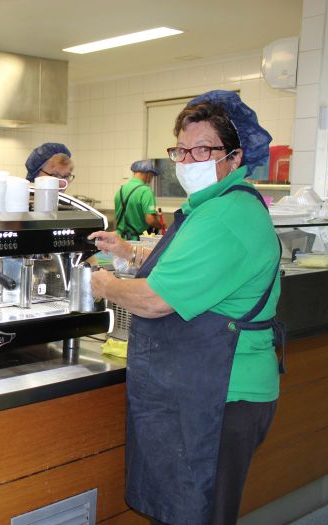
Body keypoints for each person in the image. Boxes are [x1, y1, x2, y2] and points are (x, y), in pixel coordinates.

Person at [88, 90, 282, 525]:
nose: (188, 161)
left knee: (201, 513)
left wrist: (104, 285)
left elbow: (156, 300)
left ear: (234, 157)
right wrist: (130, 253)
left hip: (220, 394)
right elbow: (185, 269)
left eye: (202, 149)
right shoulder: (216, 206)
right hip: (204, 386)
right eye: (181, 149)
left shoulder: (224, 216)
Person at [114, 159, 162, 240]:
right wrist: (161, 225)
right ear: (148, 174)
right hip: (137, 242)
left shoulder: (120, 190)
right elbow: (150, 220)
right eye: (152, 175)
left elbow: (121, 216)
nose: (151, 178)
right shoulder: (146, 191)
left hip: (120, 239)